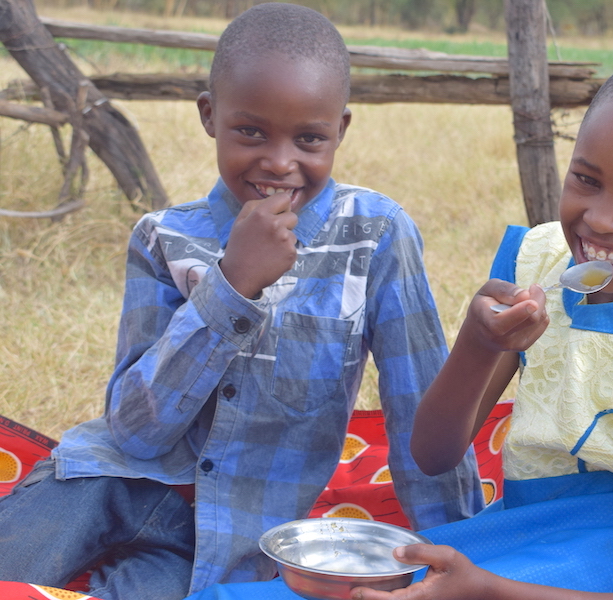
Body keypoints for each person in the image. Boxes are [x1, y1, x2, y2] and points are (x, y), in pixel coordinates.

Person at [0, 4, 483, 600]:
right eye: (251, 131)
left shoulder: (377, 236)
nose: (280, 162)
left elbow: (417, 404)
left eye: (309, 138)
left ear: (341, 129)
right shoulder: (162, 239)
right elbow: (133, 431)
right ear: (210, 115)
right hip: (102, 485)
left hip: (233, 537)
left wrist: (465, 552)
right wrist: (230, 284)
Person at [346, 52, 613, 600]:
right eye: (586, 180)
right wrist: (477, 342)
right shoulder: (534, 261)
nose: (600, 219)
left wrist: (488, 590)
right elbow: (433, 455)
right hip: (520, 529)